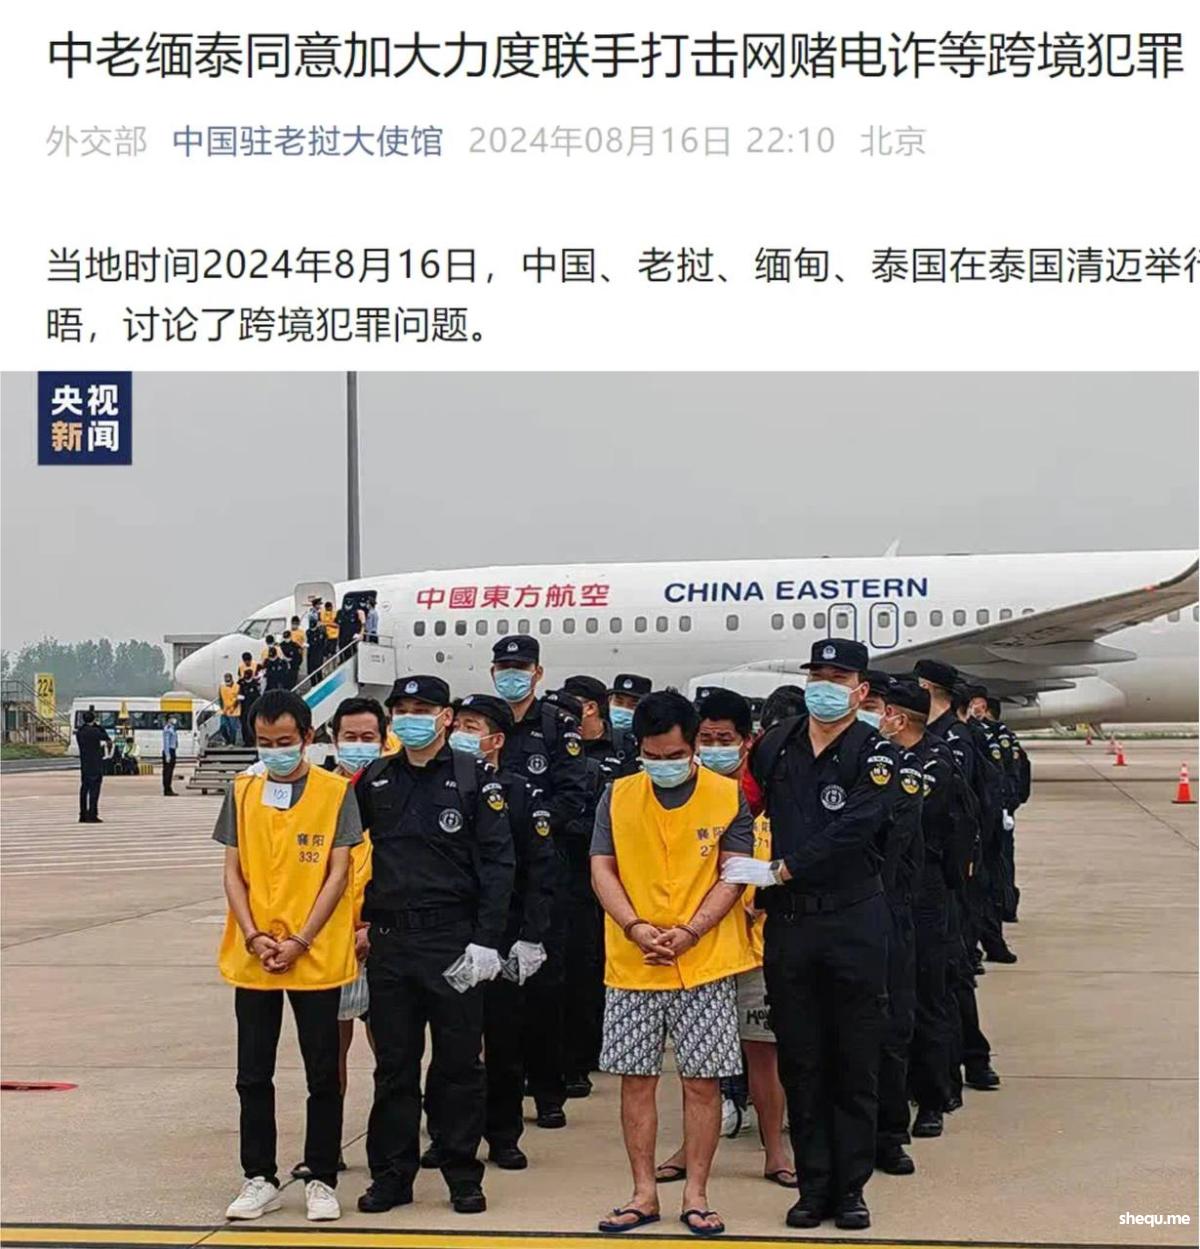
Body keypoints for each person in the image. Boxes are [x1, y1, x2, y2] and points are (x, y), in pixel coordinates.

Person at [729, 638, 900, 1231]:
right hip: (792, 924)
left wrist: (783, 868)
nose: (824, 686)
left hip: (853, 918)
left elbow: (858, 824)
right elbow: (743, 807)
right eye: (817, 675)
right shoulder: (777, 743)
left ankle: (850, 1189)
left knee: (854, 1057)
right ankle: (813, 1184)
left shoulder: (874, 752)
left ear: (860, 690)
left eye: (838, 677)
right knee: (800, 1059)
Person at [590, 689, 755, 1237]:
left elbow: (734, 872)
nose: (663, 765)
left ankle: (697, 1194)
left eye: (675, 755)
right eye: (652, 756)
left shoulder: (727, 796)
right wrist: (635, 926)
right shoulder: (617, 795)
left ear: (694, 747)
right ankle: (643, 1193)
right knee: (635, 1080)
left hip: (703, 961)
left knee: (702, 1082)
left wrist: (691, 931)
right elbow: (602, 867)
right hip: (632, 960)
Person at [353, 676, 515, 1216]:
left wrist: (487, 941)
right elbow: (350, 854)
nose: (410, 718)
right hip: (392, 942)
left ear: (446, 717)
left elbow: (499, 864)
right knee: (394, 1066)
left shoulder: (474, 778)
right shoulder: (375, 778)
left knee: (459, 1065)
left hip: (453, 942)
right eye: (402, 709)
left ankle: (461, 1173)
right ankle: (391, 1175)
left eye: (422, 709)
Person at [213, 688, 362, 1223]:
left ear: (307, 737)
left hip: (313, 955)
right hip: (255, 956)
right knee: (253, 1073)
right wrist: (254, 935)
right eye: (264, 742)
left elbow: (338, 873)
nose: (274, 751)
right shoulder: (242, 790)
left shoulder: (335, 792)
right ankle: (259, 1176)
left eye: (284, 741)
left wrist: (301, 939)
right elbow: (233, 872)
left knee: (323, 1073)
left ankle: (321, 1176)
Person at [656, 687, 795, 1191]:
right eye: (707, 739)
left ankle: (775, 1149)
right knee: (698, 1060)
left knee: (763, 1053)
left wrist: (769, 888)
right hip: (699, 947)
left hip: (755, 947)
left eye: (725, 739)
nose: (715, 748)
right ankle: (690, 1148)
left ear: (747, 741)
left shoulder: (772, 796)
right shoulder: (682, 796)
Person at [425, 693, 557, 1171]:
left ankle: (503, 1134)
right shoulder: (441, 783)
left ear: (496, 740)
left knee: (502, 1039)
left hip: (502, 932)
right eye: (457, 724)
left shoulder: (520, 793)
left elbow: (539, 870)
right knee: (451, 1043)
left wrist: (532, 934)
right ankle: (445, 1134)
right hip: (451, 930)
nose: (460, 733)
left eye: (472, 726)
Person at [491, 635, 588, 1129]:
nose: (512, 674)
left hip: (546, 869)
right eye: (504, 666)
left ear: (537, 672)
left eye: (520, 666)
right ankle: (498, 1095)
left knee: (545, 986)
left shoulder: (556, 725)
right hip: (491, 875)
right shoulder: (482, 723)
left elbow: (574, 793)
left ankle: (549, 1091)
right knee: (495, 994)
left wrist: (531, 826)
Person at [290, 696, 386, 1182]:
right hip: (327, 941)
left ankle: (390, 1147)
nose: (359, 745)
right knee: (328, 1056)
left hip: (383, 939)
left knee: (391, 1054)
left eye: (369, 737)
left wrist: (374, 927)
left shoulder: (396, 791)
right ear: (333, 739)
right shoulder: (317, 794)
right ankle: (326, 1149)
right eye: (350, 737)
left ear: (384, 740)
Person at [879, 680, 963, 1145]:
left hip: (926, 889)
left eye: (883, 711)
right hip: (891, 887)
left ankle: (933, 1097)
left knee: (927, 994)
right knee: (893, 999)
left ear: (899, 717)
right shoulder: (887, 757)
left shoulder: (933, 762)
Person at [915, 660, 1002, 1097]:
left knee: (953, 973)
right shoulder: (928, 734)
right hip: (934, 874)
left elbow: (963, 811)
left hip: (953, 875)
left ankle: (972, 1060)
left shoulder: (953, 738)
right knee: (939, 977)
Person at [859, 673, 925, 1177]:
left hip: (890, 908)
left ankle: (889, 1135)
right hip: (840, 912)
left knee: (891, 1028)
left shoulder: (903, 771)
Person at [558, 674, 635, 1098]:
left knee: (595, 966)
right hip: (567, 870)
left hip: (614, 869)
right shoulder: (556, 746)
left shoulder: (623, 748)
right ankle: (568, 1058)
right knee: (570, 967)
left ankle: (589, 1051)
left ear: (590, 707)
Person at [606, 673, 651, 763]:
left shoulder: (650, 740)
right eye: (619, 702)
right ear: (609, 700)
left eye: (633, 705)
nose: (624, 709)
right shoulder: (596, 734)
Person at [75, 709, 110, 822]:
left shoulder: (80, 731)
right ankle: (92, 814)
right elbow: (106, 736)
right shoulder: (95, 731)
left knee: (84, 789)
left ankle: (82, 814)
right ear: (94, 719)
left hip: (84, 763)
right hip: (95, 763)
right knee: (94, 790)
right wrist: (98, 726)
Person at [239, 664, 262, 749]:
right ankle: (246, 741)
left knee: (252, 725)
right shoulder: (242, 684)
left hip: (252, 709)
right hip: (244, 709)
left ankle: (252, 740)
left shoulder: (255, 685)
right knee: (244, 726)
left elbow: (257, 697)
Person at [219, 674, 242, 746]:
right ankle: (227, 740)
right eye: (226, 681)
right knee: (222, 727)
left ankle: (232, 742)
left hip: (234, 711)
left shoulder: (237, 687)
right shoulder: (222, 687)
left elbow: (238, 699)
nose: (227, 683)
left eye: (228, 681)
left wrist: (233, 708)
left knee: (233, 728)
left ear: (232, 679)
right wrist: (222, 708)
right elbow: (221, 699)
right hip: (225, 710)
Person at [162, 715, 180, 796]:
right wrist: (167, 755)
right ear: (169, 720)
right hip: (169, 751)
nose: (174, 719)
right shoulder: (168, 729)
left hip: (172, 750)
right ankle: (167, 789)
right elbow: (166, 743)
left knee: (170, 771)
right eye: (172, 718)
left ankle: (168, 788)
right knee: (167, 772)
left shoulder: (172, 728)